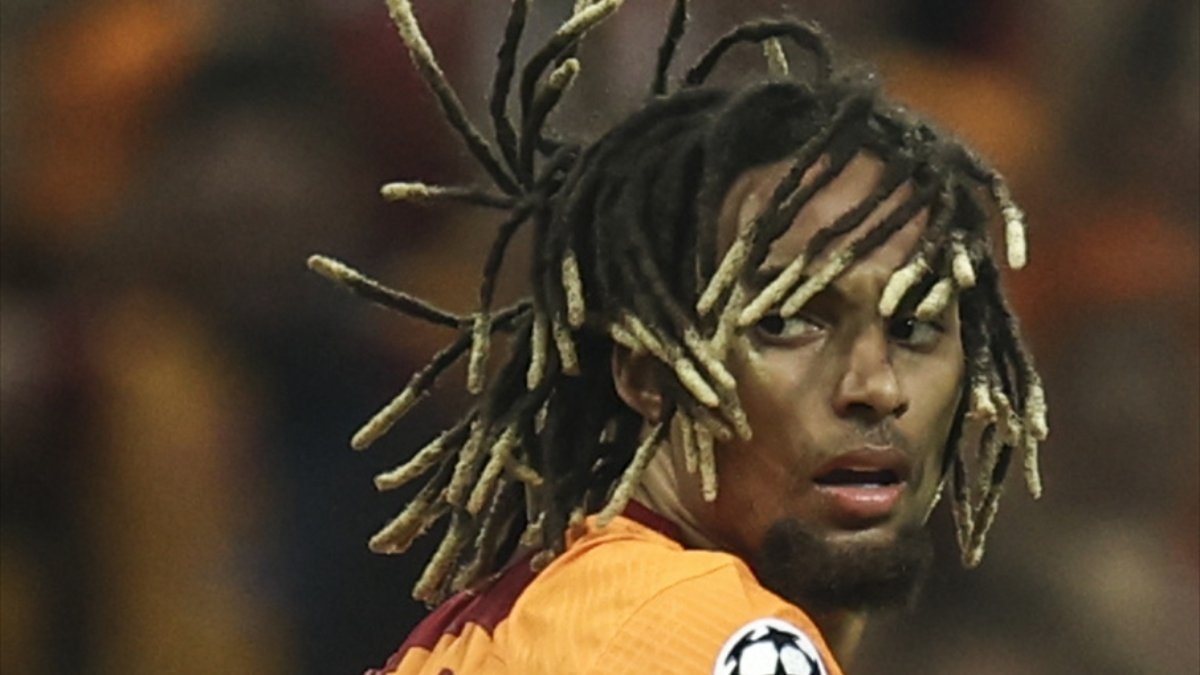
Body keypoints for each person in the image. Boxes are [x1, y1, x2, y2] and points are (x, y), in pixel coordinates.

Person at [309, 1, 1049, 673]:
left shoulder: (541, 617)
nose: (875, 386)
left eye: (914, 327)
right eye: (786, 322)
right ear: (650, 373)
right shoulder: (700, 626)